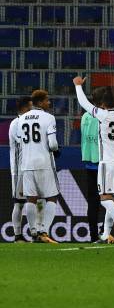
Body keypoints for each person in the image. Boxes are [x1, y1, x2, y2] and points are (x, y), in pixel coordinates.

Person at [74, 77, 114, 244]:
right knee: (112, 199)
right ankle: (106, 234)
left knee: (104, 199)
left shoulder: (102, 115)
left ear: (102, 104)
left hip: (106, 163)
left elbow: (84, 103)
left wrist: (78, 86)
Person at [17, 90, 60, 244]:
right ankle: (44, 231)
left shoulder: (21, 119)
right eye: (47, 100)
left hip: (27, 163)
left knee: (31, 198)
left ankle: (33, 230)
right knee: (52, 197)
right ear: (40, 102)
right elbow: (53, 144)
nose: (49, 103)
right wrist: (55, 150)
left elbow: (20, 140)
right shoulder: (49, 118)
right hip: (44, 163)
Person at [81, 86, 107, 242]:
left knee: (93, 202)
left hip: (89, 163)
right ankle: (105, 232)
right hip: (102, 163)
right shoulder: (102, 116)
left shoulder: (85, 116)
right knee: (109, 199)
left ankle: (93, 236)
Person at [9, 96, 33, 242]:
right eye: (31, 106)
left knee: (36, 201)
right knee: (19, 203)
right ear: (24, 108)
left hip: (31, 167)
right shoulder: (16, 123)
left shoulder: (29, 122)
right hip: (19, 169)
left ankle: (36, 233)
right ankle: (17, 236)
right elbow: (24, 141)